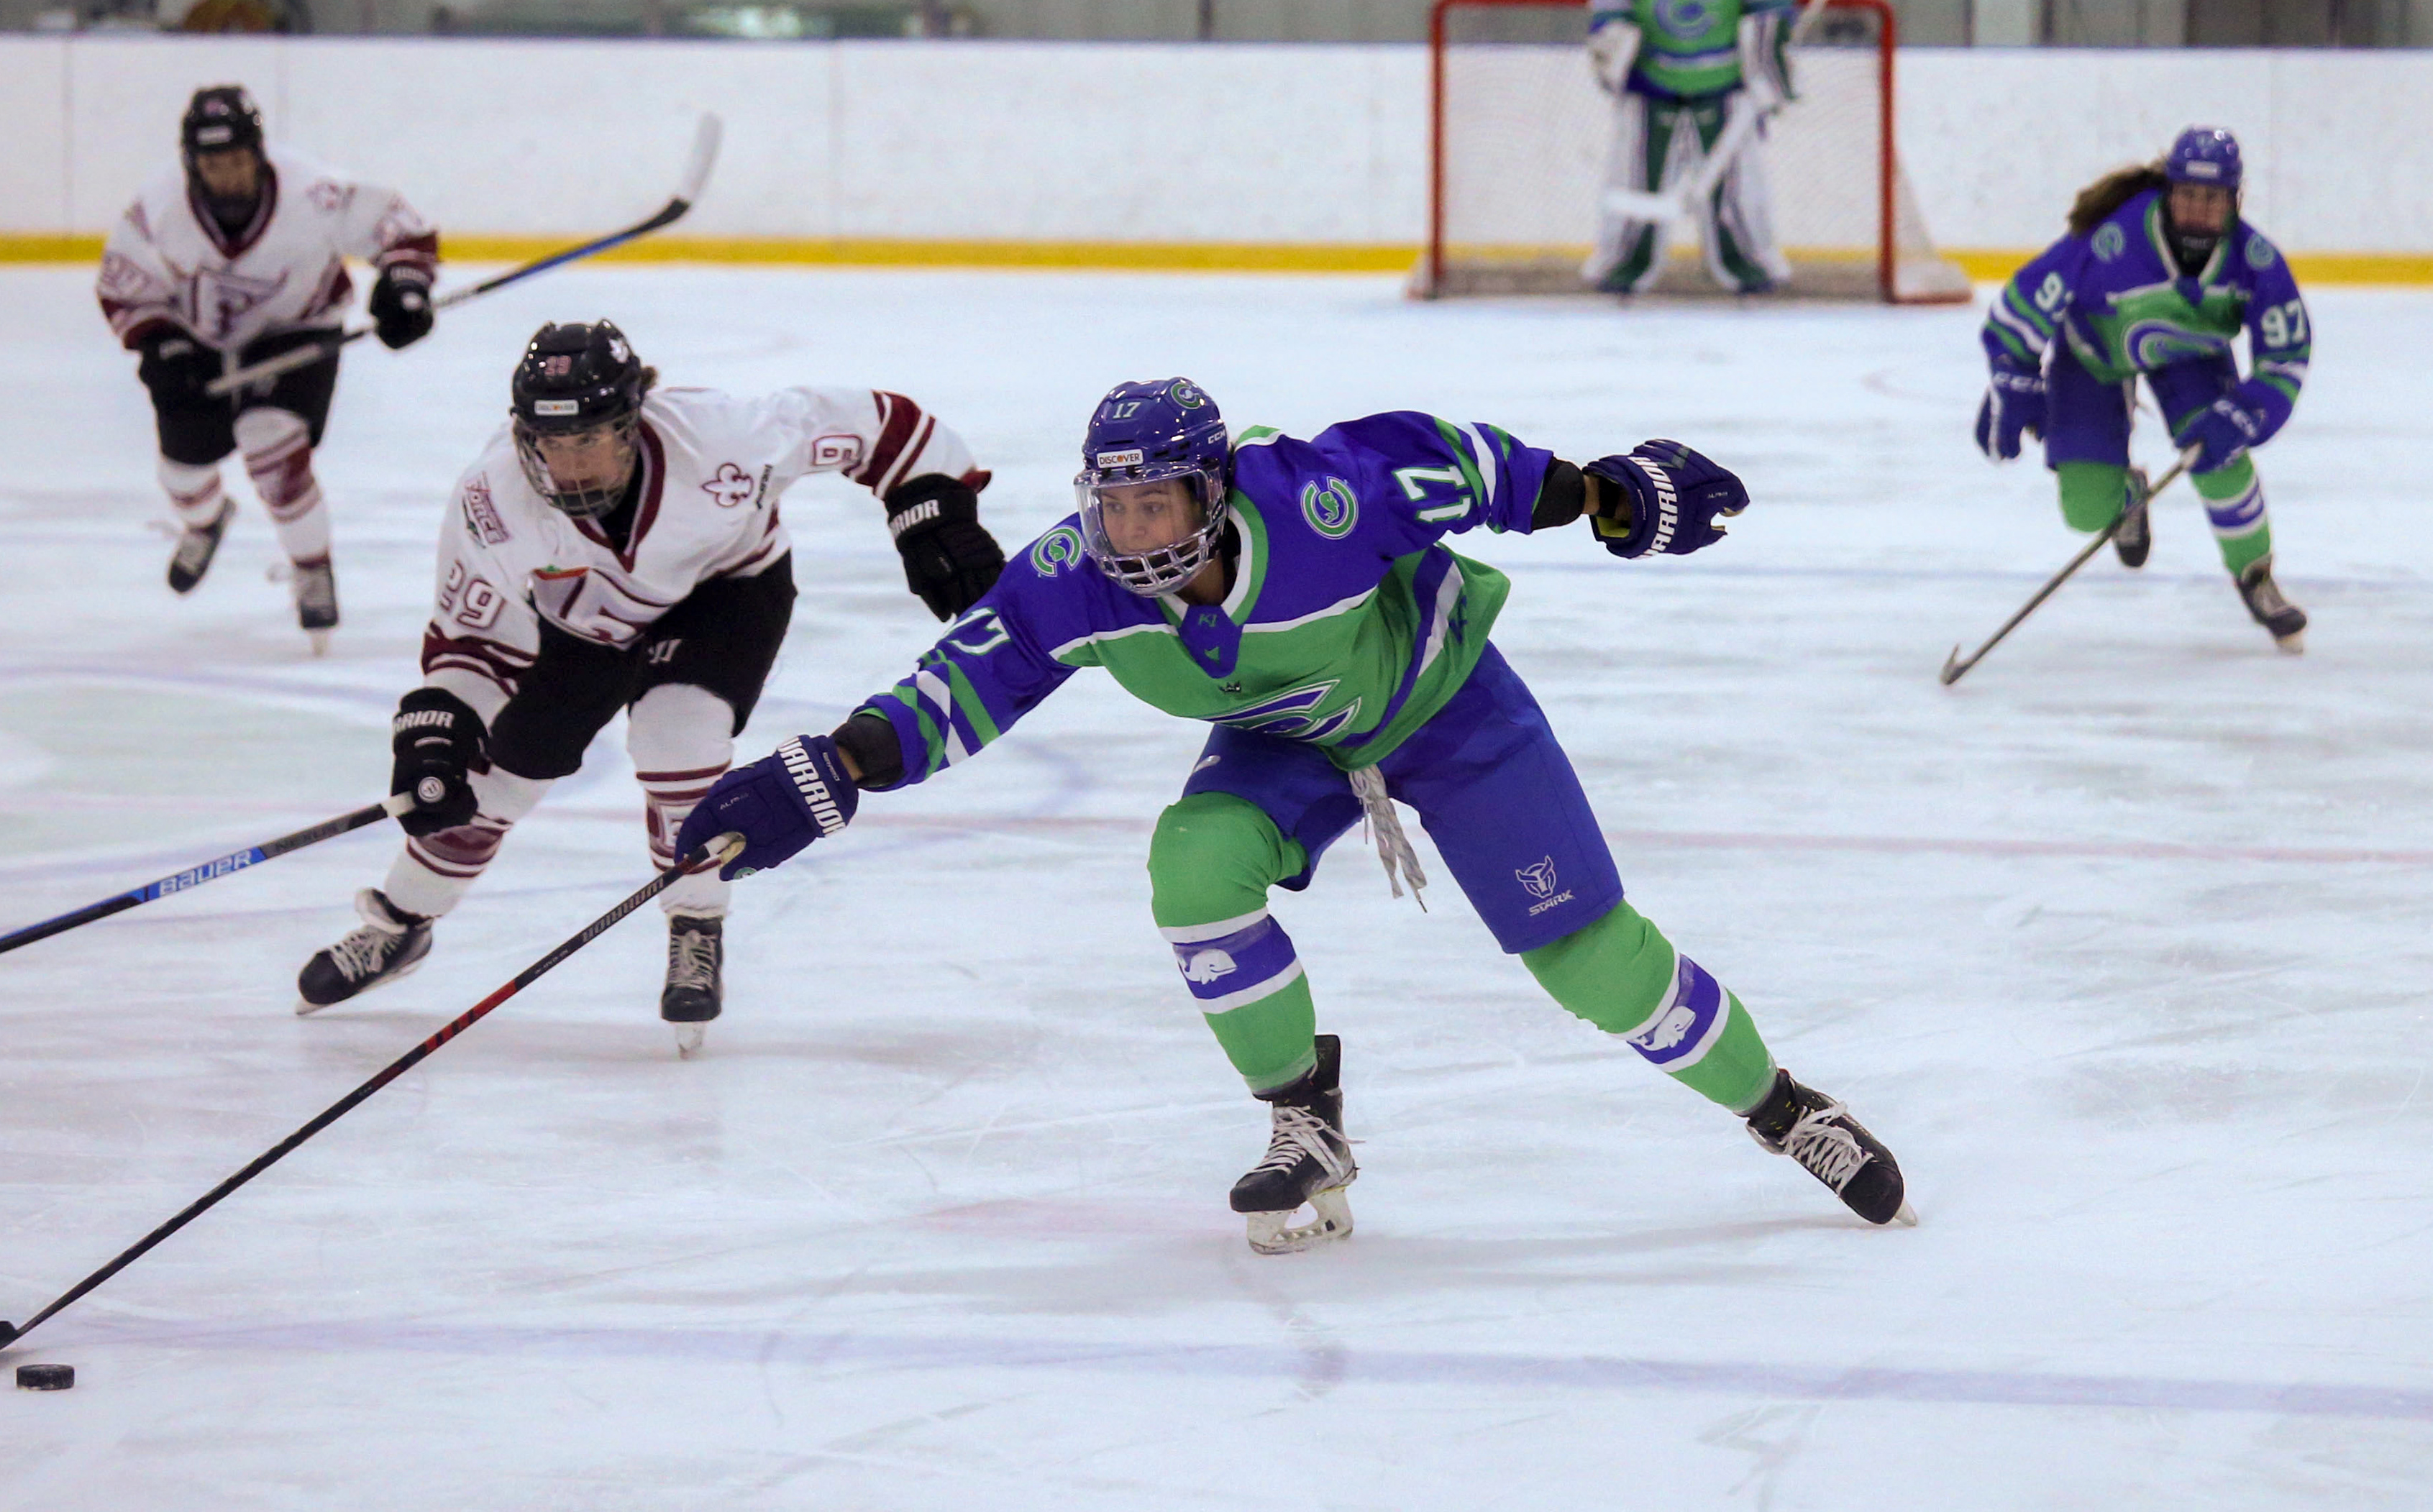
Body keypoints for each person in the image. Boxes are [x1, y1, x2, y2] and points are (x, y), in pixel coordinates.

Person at [670, 379, 1913, 1252]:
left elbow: (1467, 465)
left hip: (1447, 706)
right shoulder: (1073, 580)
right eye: (1113, 507)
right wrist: (832, 769)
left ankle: (1784, 1107)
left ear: (1214, 494)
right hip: (1289, 744)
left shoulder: (1323, 498)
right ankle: (1304, 1119)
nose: (1130, 534)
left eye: (1157, 505)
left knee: (1589, 959)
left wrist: (1604, 495)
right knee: (1192, 869)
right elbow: (961, 685)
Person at [296, 321, 1006, 1055]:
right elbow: (470, 640)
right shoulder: (492, 499)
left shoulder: (724, 437)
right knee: (492, 782)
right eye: (551, 442)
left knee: (678, 735)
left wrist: (928, 510)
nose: (570, 463)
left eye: (590, 439)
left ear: (633, 421)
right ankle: (401, 922)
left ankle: (696, 919)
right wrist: (440, 729)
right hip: (584, 626)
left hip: (728, 594)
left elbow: (883, 425)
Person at [96, 84, 439, 650]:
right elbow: (125, 287)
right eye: (213, 163)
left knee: (271, 444)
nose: (228, 175)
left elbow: (397, 227)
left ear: (259, 153)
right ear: (192, 164)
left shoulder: (314, 193)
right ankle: (206, 521)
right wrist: (162, 346)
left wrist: (405, 285)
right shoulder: (158, 208)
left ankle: (312, 566)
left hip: (297, 330)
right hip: (199, 344)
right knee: (182, 474)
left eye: (237, 159)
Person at [1976, 126, 2310, 651]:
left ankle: (2256, 574)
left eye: (2214, 198)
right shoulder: (2112, 240)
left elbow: (2286, 357)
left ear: (2235, 200)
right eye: (2188, 194)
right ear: (2168, 191)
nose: (2199, 210)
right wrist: (2013, 375)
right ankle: (2129, 495)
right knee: (2086, 512)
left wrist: (2250, 412)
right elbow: (2023, 302)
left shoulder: (2256, 261)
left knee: (2222, 460)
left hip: (2191, 358)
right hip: (2094, 354)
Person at [1584, 0, 1798, 295]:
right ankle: (1626, 265)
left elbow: (1771, 10)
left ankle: (1747, 265)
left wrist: (1770, 73)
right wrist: (1614, 56)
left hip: (1723, 83)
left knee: (1734, 188)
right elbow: (1608, 15)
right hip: (1652, 84)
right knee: (1638, 181)